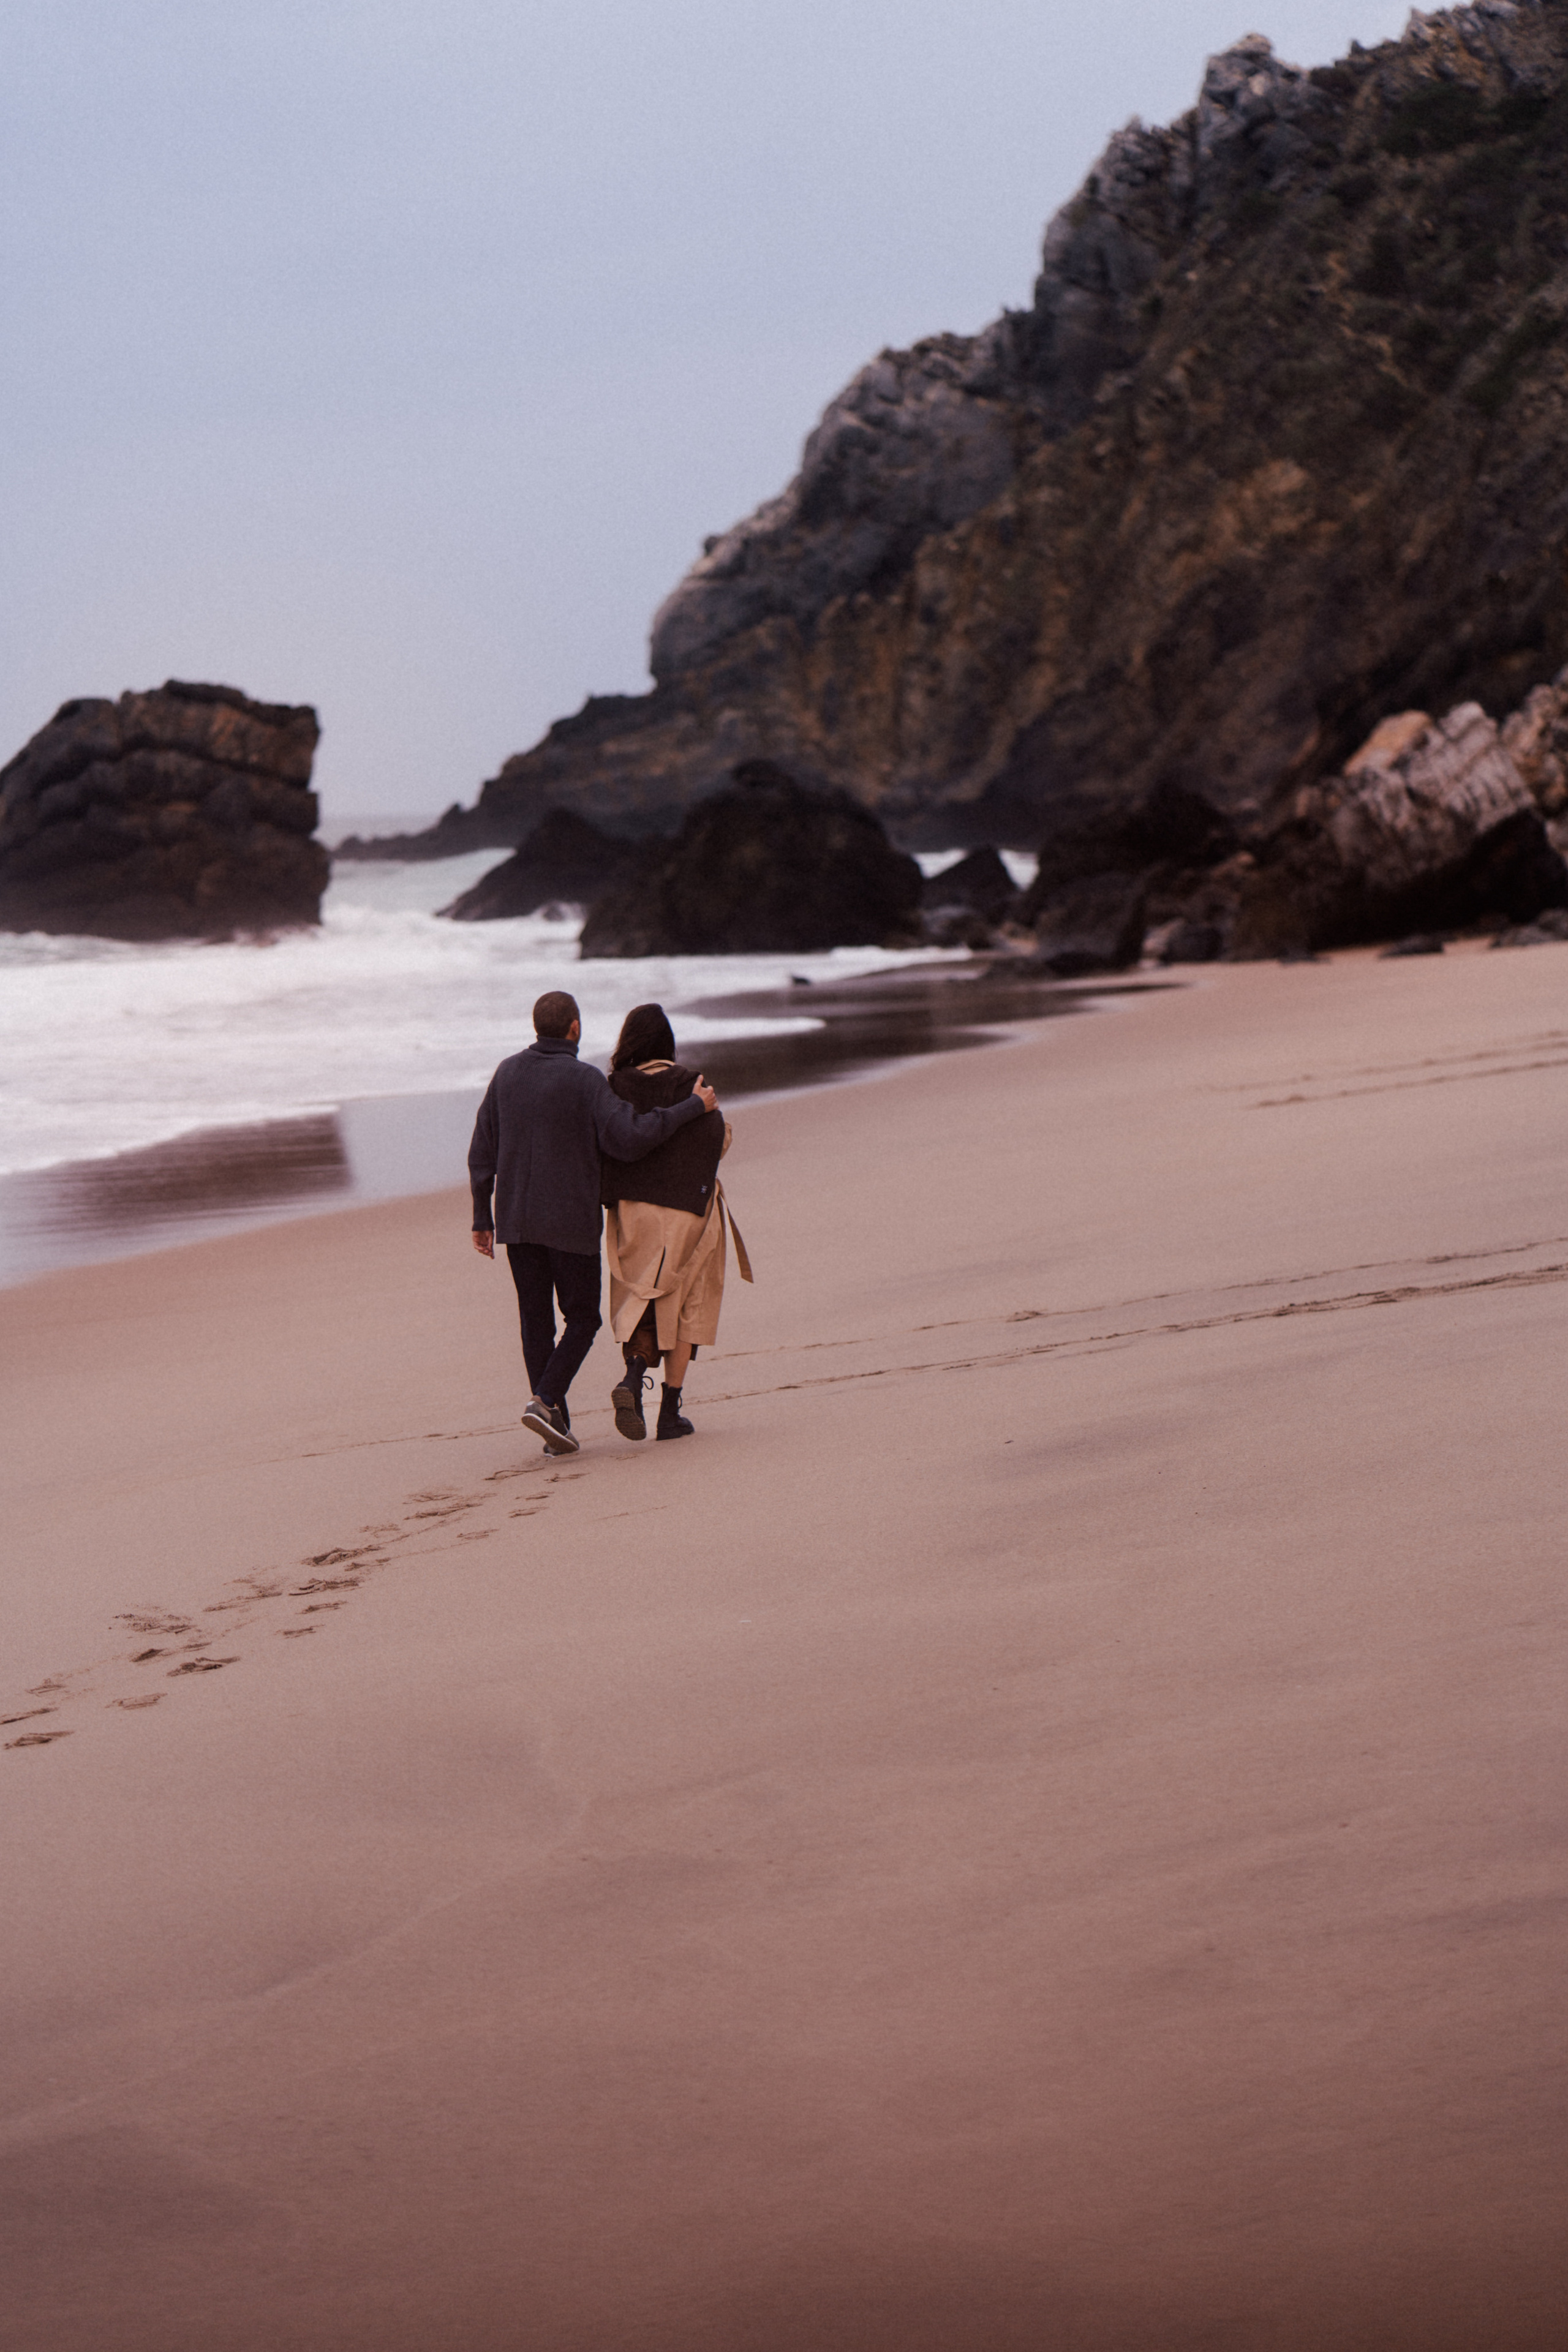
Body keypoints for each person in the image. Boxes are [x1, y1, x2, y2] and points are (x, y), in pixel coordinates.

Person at [469, 990, 715, 1456]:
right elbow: (629, 1139)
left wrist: (482, 1216)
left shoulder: (506, 1074)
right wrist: (691, 1108)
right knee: (582, 1319)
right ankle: (545, 1402)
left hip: (516, 1222)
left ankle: (556, 1422)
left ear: (537, 1027)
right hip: (568, 1223)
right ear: (575, 1028)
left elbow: (482, 1150)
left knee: (535, 1321)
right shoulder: (585, 1082)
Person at [601, 1001, 750, 1443]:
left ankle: (633, 1375)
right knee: (688, 1304)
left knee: (641, 1297)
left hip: (633, 1211)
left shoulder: (614, 1088)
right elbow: (716, 1141)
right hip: (689, 1208)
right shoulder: (693, 1084)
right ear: (667, 1042)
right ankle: (669, 1411)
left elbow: (609, 1142)